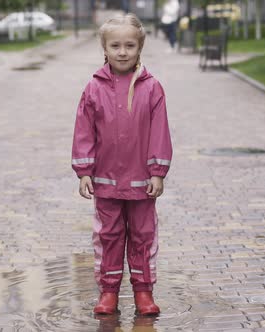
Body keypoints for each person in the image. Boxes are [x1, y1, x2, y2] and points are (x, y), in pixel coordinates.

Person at [71, 13, 173, 316]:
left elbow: (160, 132)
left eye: (129, 45)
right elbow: (84, 130)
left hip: (142, 181)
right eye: (115, 45)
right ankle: (108, 292)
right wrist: (84, 171)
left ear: (139, 47)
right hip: (106, 179)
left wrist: (158, 172)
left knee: (143, 235)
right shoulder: (94, 87)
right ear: (105, 48)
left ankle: (144, 292)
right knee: (108, 236)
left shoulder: (152, 87)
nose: (123, 52)